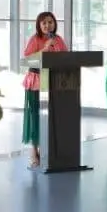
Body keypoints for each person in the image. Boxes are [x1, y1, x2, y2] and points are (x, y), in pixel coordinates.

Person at [21, 11, 68, 169]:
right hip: (36, 80)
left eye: (50, 22)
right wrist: (45, 48)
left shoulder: (58, 40)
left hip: (53, 80)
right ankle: (34, 151)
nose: (48, 25)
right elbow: (27, 60)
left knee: (51, 116)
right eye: (44, 23)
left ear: (54, 23)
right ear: (39, 25)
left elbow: (66, 58)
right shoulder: (35, 39)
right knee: (35, 115)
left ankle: (48, 149)